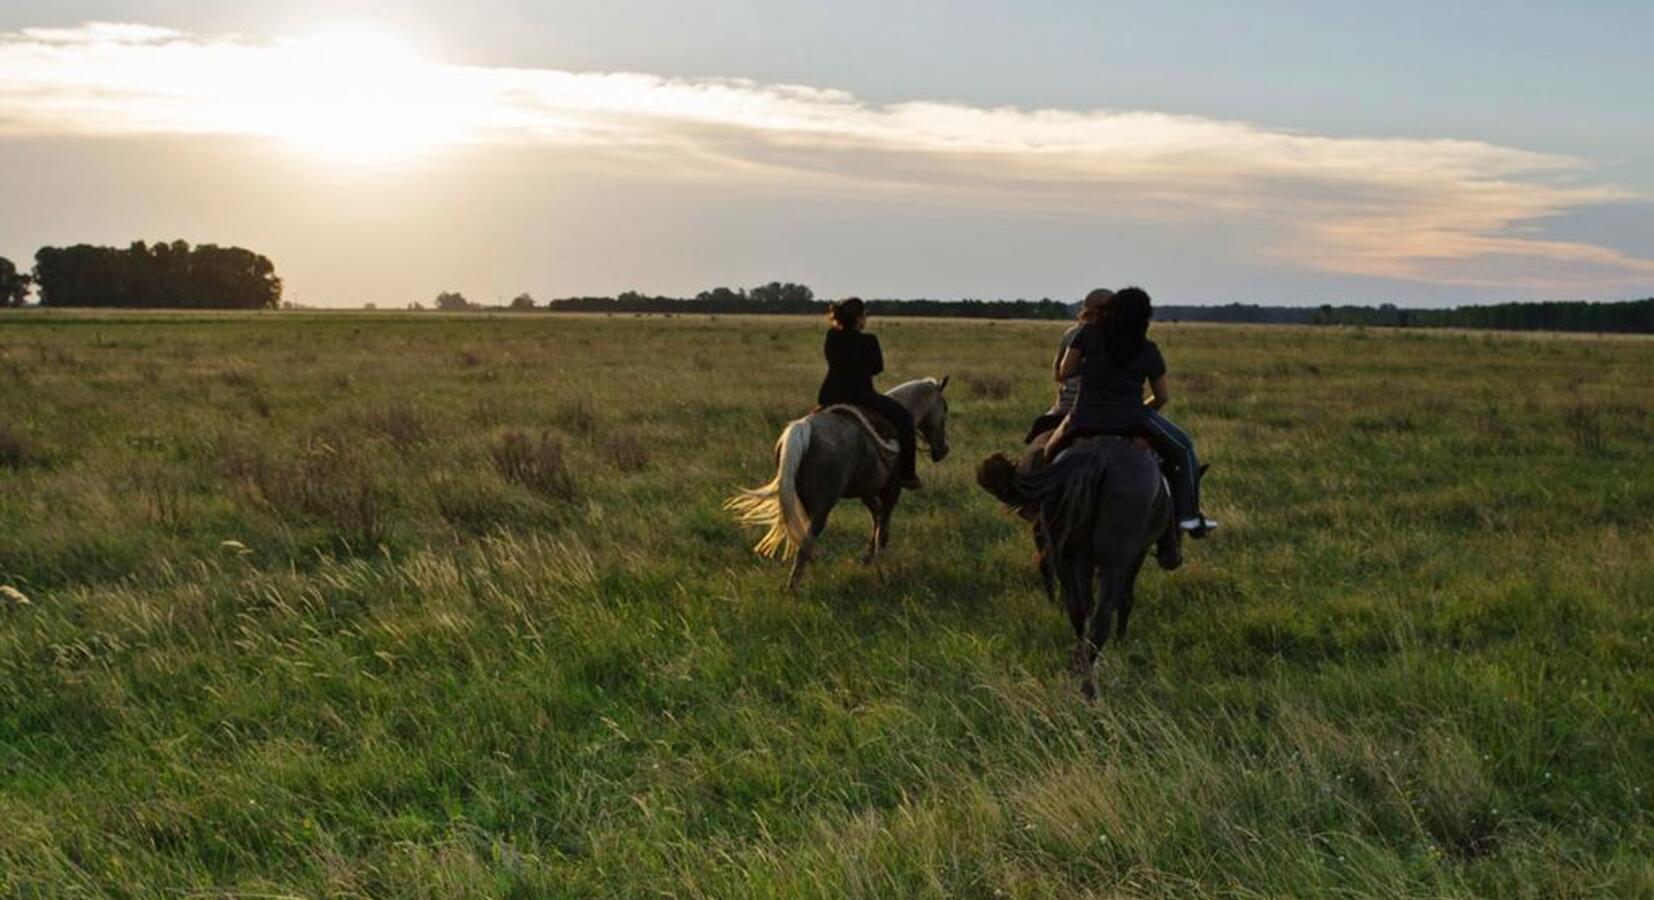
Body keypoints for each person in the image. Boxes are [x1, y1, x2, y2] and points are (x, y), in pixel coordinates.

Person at [1049, 286, 1217, 534]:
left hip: (1084, 416)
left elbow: (1064, 372)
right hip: (1133, 419)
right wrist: (1141, 411)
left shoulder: (1086, 334)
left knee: (1047, 454)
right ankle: (1188, 516)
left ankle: (1031, 496)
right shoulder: (1148, 348)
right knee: (1184, 447)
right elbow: (1162, 397)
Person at [816, 297, 921, 489]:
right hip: (861, 396)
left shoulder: (831, 336)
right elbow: (877, 368)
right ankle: (907, 474)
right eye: (864, 316)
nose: (865, 320)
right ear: (858, 319)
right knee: (905, 418)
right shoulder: (869, 340)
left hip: (829, 397)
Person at [1025, 288, 1113, 443]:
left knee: (1038, 439)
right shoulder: (1125, 337)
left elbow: (1059, 374)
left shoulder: (1072, 334)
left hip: (1068, 407)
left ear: (1085, 308)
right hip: (1113, 409)